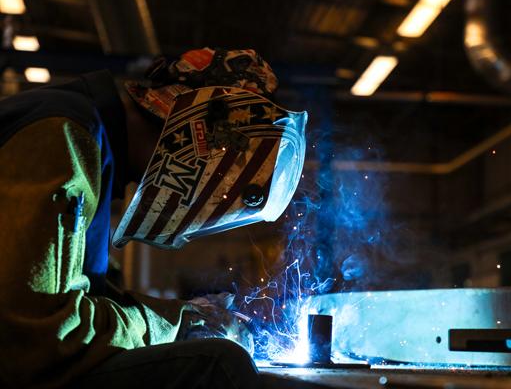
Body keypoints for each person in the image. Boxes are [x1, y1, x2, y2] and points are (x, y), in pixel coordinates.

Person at [0, 48, 307, 389]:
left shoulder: (88, 144)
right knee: (217, 365)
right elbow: (45, 331)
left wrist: (184, 317)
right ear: (197, 134)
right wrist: (180, 324)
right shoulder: (62, 137)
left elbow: (75, 301)